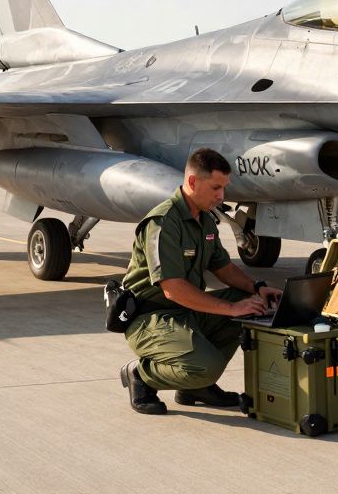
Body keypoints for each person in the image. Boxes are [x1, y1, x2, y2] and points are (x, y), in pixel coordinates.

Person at [119, 148, 283, 415]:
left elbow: (224, 268)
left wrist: (258, 289)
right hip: (151, 318)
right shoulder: (164, 222)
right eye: (216, 188)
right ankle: (141, 374)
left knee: (250, 306)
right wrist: (232, 309)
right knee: (206, 363)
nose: (222, 196)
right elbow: (172, 289)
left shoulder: (205, 220)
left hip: (185, 313)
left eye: (224, 188)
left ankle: (195, 387)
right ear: (193, 182)